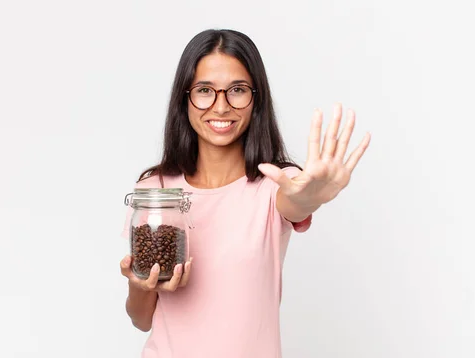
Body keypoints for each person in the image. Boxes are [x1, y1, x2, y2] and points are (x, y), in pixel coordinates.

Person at [120, 29, 370, 358]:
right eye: (205, 90)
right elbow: (141, 319)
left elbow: (296, 201)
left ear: (256, 98)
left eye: (237, 90)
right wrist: (141, 283)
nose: (221, 106)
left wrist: (315, 194)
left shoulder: (276, 183)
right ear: (185, 98)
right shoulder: (155, 191)